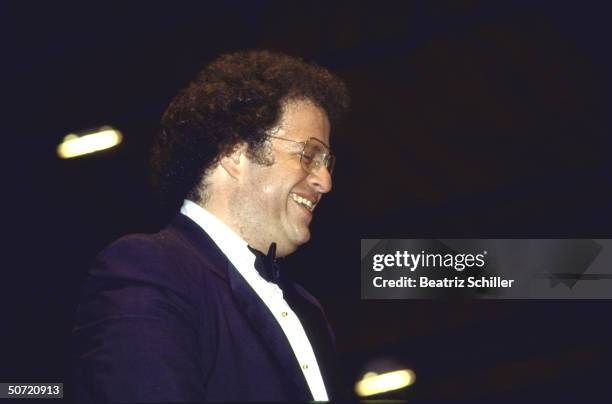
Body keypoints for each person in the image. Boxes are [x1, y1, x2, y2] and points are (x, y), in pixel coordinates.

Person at [73, 50, 349, 402]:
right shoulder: (149, 269)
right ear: (234, 153)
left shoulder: (308, 310)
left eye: (327, 163)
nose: (325, 181)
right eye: (308, 156)